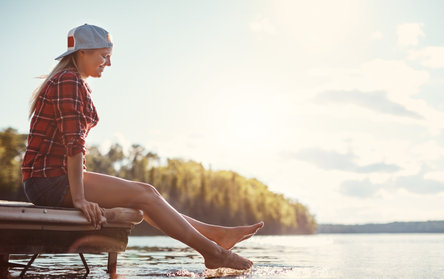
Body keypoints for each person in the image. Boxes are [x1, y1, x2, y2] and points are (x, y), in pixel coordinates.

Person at [21, 23, 264, 270]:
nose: (108, 63)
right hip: (48, 181)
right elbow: (74, 144)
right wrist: (80, 199)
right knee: (145, 193)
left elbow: (71, 147)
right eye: (104, 56)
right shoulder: (68, 81)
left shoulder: (72, 81)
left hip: (54, 179)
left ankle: (215, 235)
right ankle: (213, 252)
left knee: (147, 196)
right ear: (83, 52)